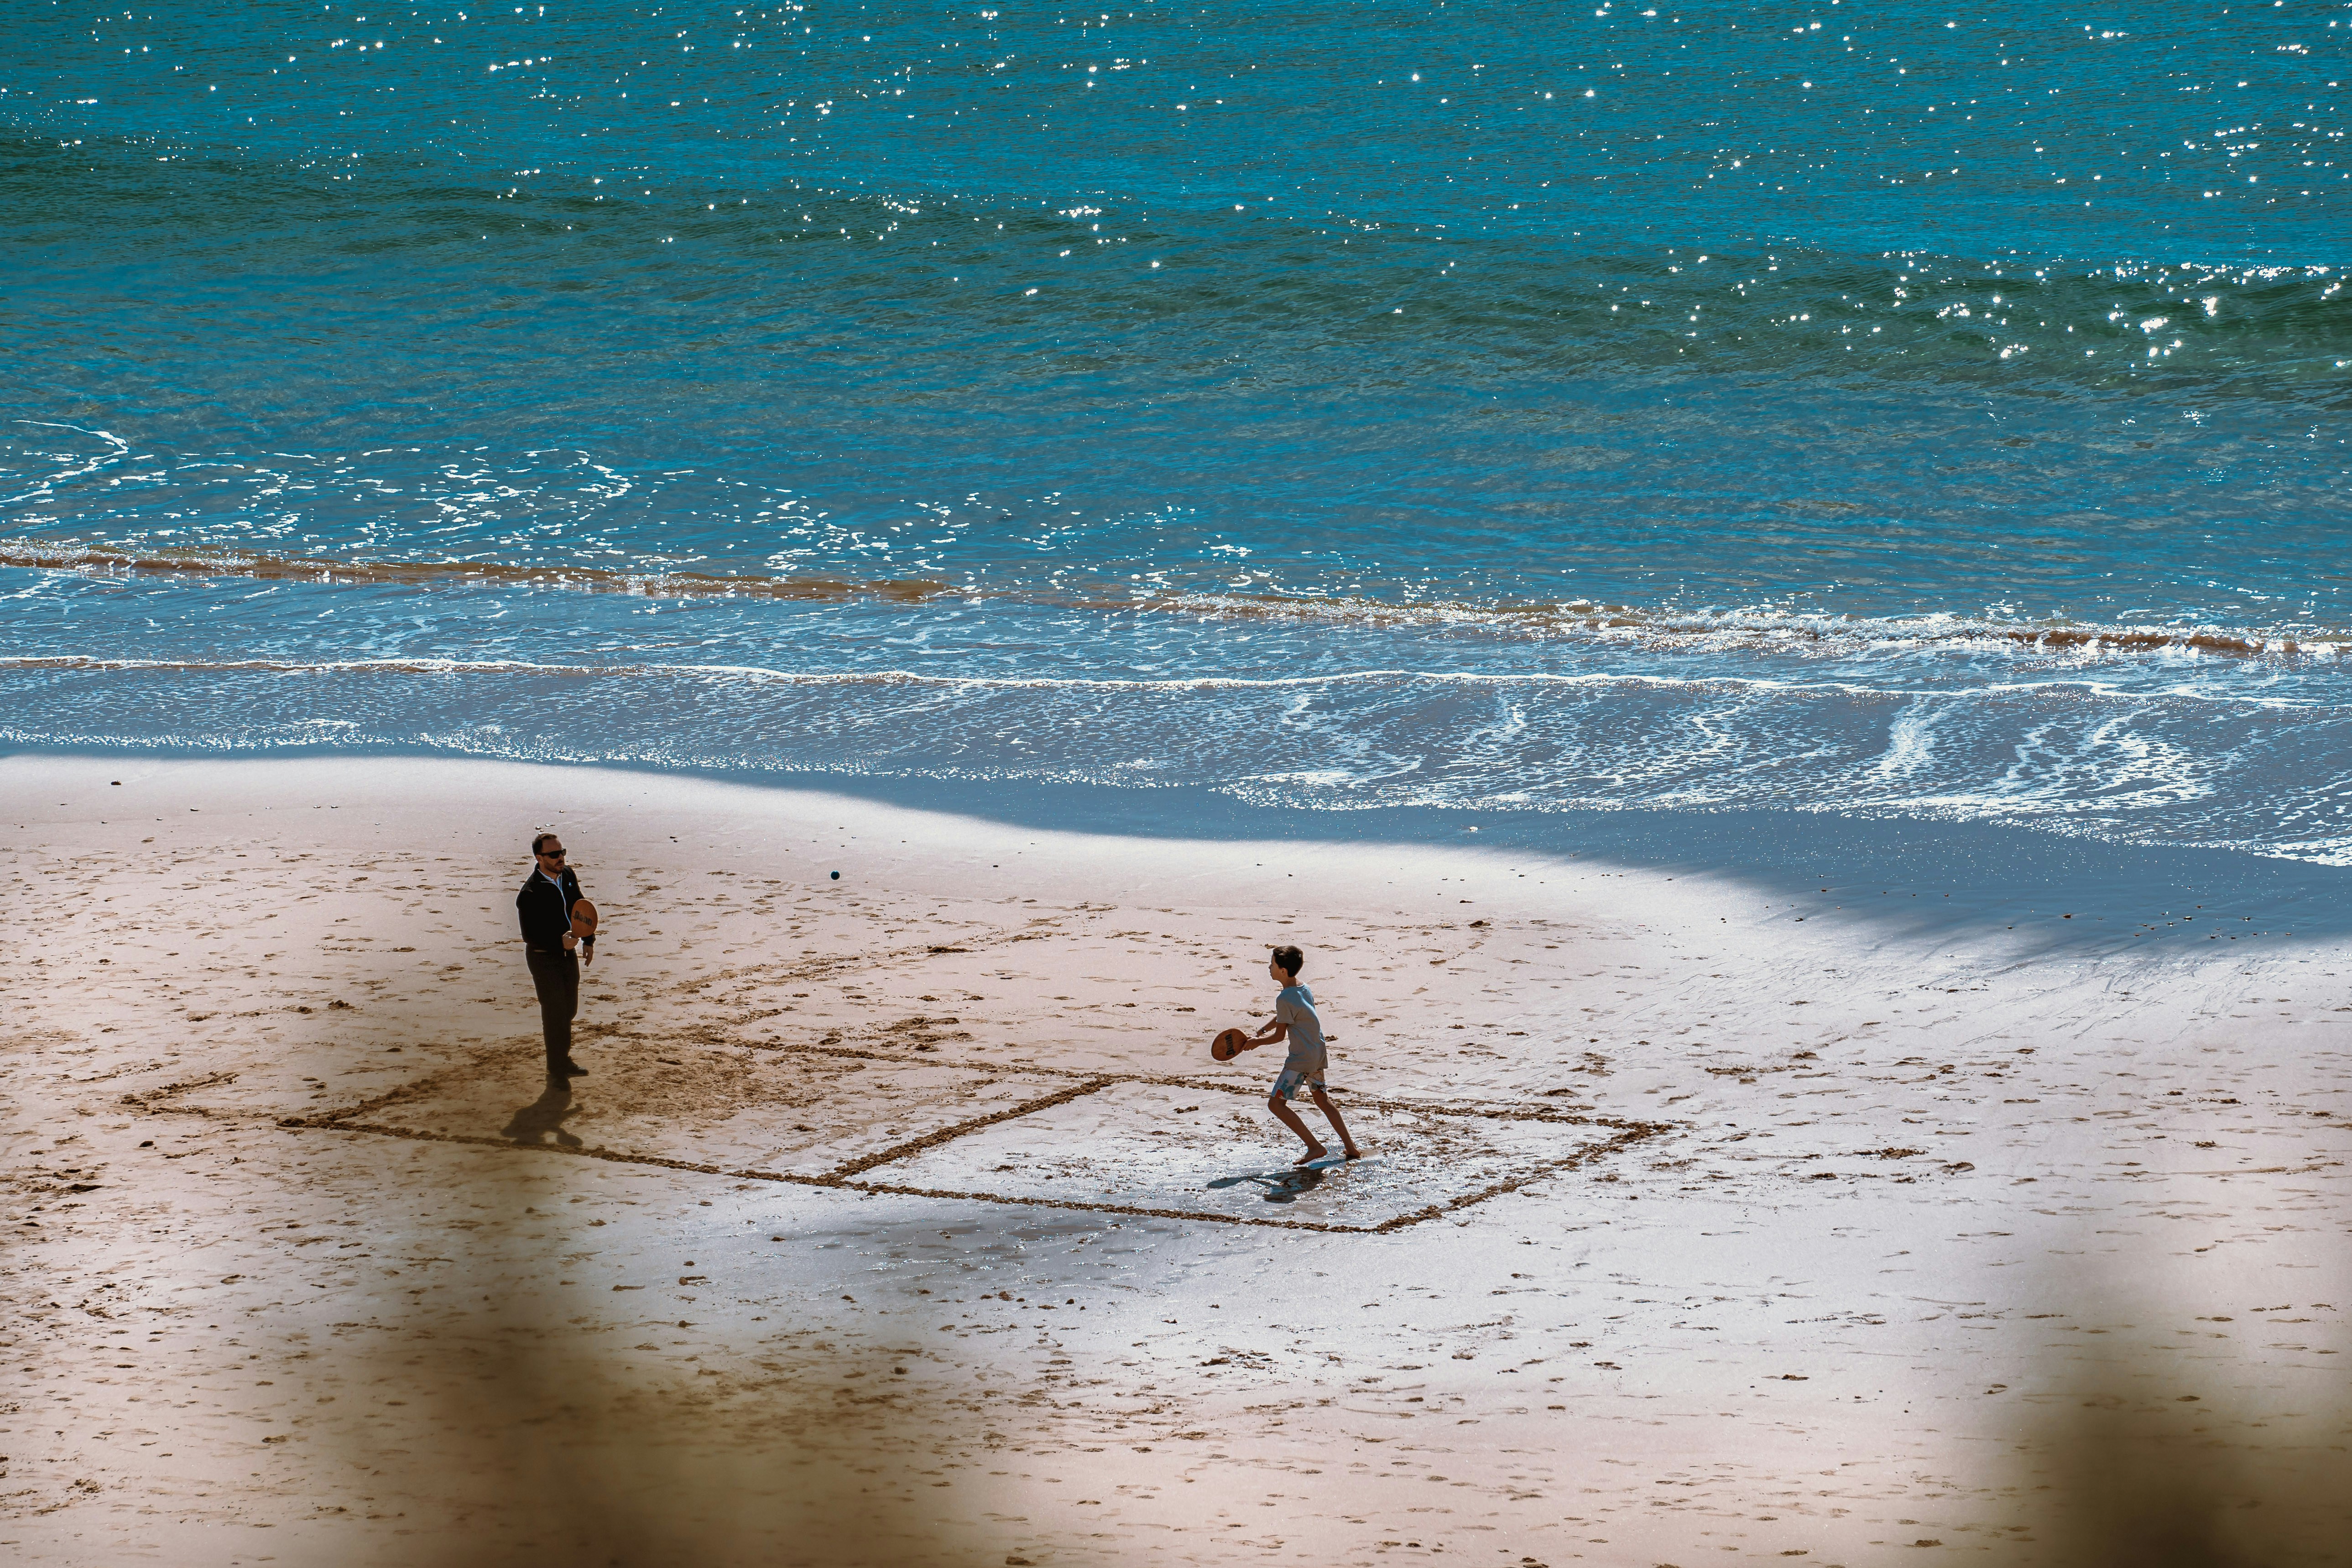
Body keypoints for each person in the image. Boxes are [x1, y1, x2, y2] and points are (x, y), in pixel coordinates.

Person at [1236, 944, 1362, 1167]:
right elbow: (1287, 1016)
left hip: (1300, 1060)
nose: (1269, 967)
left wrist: (1256, 1043)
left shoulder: (1284, 998)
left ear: (1283, 971)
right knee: (1323, 1100)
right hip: (1317, 1052)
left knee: (1276, 1106)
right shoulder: (1303, 988)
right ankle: (1351, 1148)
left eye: (1273, 964)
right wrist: (1262, 1030)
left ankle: (1315, 1147)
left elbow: (1279, 1036)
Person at [516, 831, 592, 1078]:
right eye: (554, 854)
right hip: (543, 957)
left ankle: (562, 1059)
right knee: (554, 1012)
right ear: (540, 858)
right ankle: (557, 1067)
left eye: (562, 852)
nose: (561, 858)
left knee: (569, 1009)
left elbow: (580, 907)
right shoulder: (529, 895)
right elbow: (530, 936)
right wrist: (559, 943)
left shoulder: (567, 875)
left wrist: (588, 940)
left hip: (567, 955)